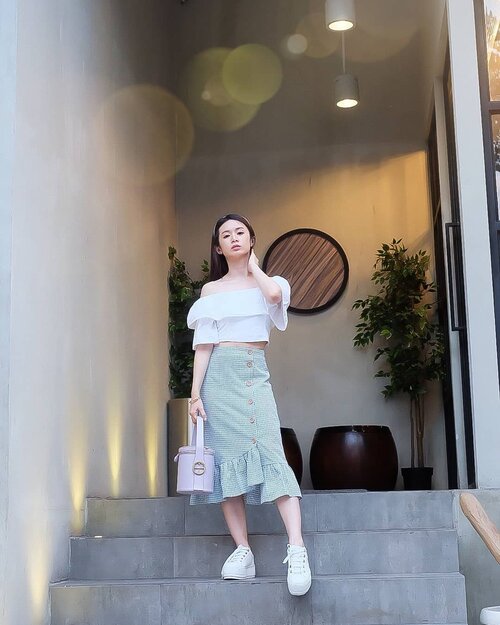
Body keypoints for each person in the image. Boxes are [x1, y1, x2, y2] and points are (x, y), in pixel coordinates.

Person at [186, 213, 312, 596]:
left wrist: (254, 265)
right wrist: (194, 394)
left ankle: (297, 547)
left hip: (253, 372)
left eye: (240, 232)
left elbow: (274, 298)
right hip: (218, 378)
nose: (234, 238)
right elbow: (204, 344)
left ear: (252, 238)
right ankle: (243, 551)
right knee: (225, 463)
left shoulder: (271, 284)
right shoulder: (210, 292)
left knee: (271, 453)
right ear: (218, 247)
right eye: (226, 234)